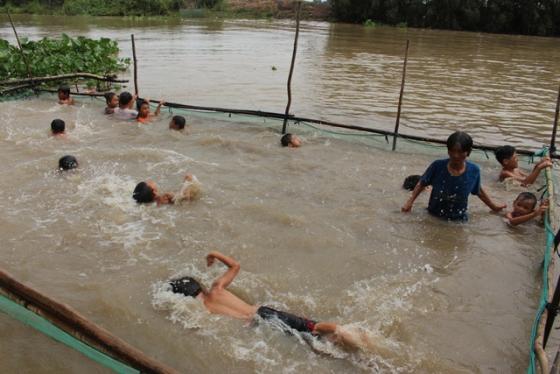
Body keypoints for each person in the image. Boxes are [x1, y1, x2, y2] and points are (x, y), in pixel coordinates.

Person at [168, 251, 365, 350]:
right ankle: (348, 334)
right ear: (198, 285)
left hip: (258, 327)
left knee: (312, 344)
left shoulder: (203, 310)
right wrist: (213, 254)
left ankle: (348, 343)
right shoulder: (216, 289)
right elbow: (235, 266)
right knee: (315, 327)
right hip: (262, 313)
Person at [402, 131, 506, 221]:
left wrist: (494, 206)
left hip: (458, 219)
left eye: (460, 152)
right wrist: (409, 202)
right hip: (433, 215)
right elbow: (421, 183)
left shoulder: (474, 170)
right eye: (452, 151)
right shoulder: (437, 166)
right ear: (448, 150)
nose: (456, 155)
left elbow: (478, 191)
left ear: (468, 152)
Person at [132, 174, 200, 205]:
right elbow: (185, 197)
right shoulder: (166, 196)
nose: (150, 181)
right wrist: (188, 180)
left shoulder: (155, 202)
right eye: (149, 183)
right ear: (154, 191)